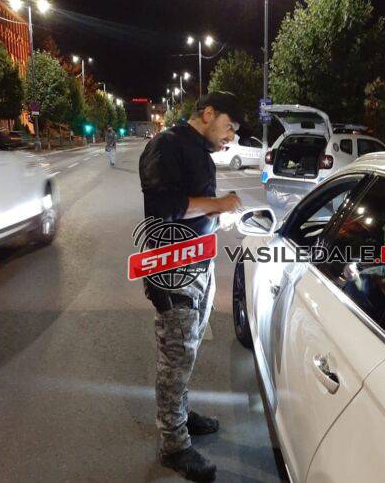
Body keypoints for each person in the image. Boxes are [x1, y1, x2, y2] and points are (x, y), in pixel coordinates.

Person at [139, 92, 244, 482]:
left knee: (188, 352)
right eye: (229, 126)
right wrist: (220, 205)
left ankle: (180, 415)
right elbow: (165, 208)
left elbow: (194, 210)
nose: (231, 136)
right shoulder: (167, 145)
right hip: (173, 273)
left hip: (198, 267)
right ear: (208, 113)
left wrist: (218, 218)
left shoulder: (199, 152)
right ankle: (173, 444)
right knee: (175, 358)